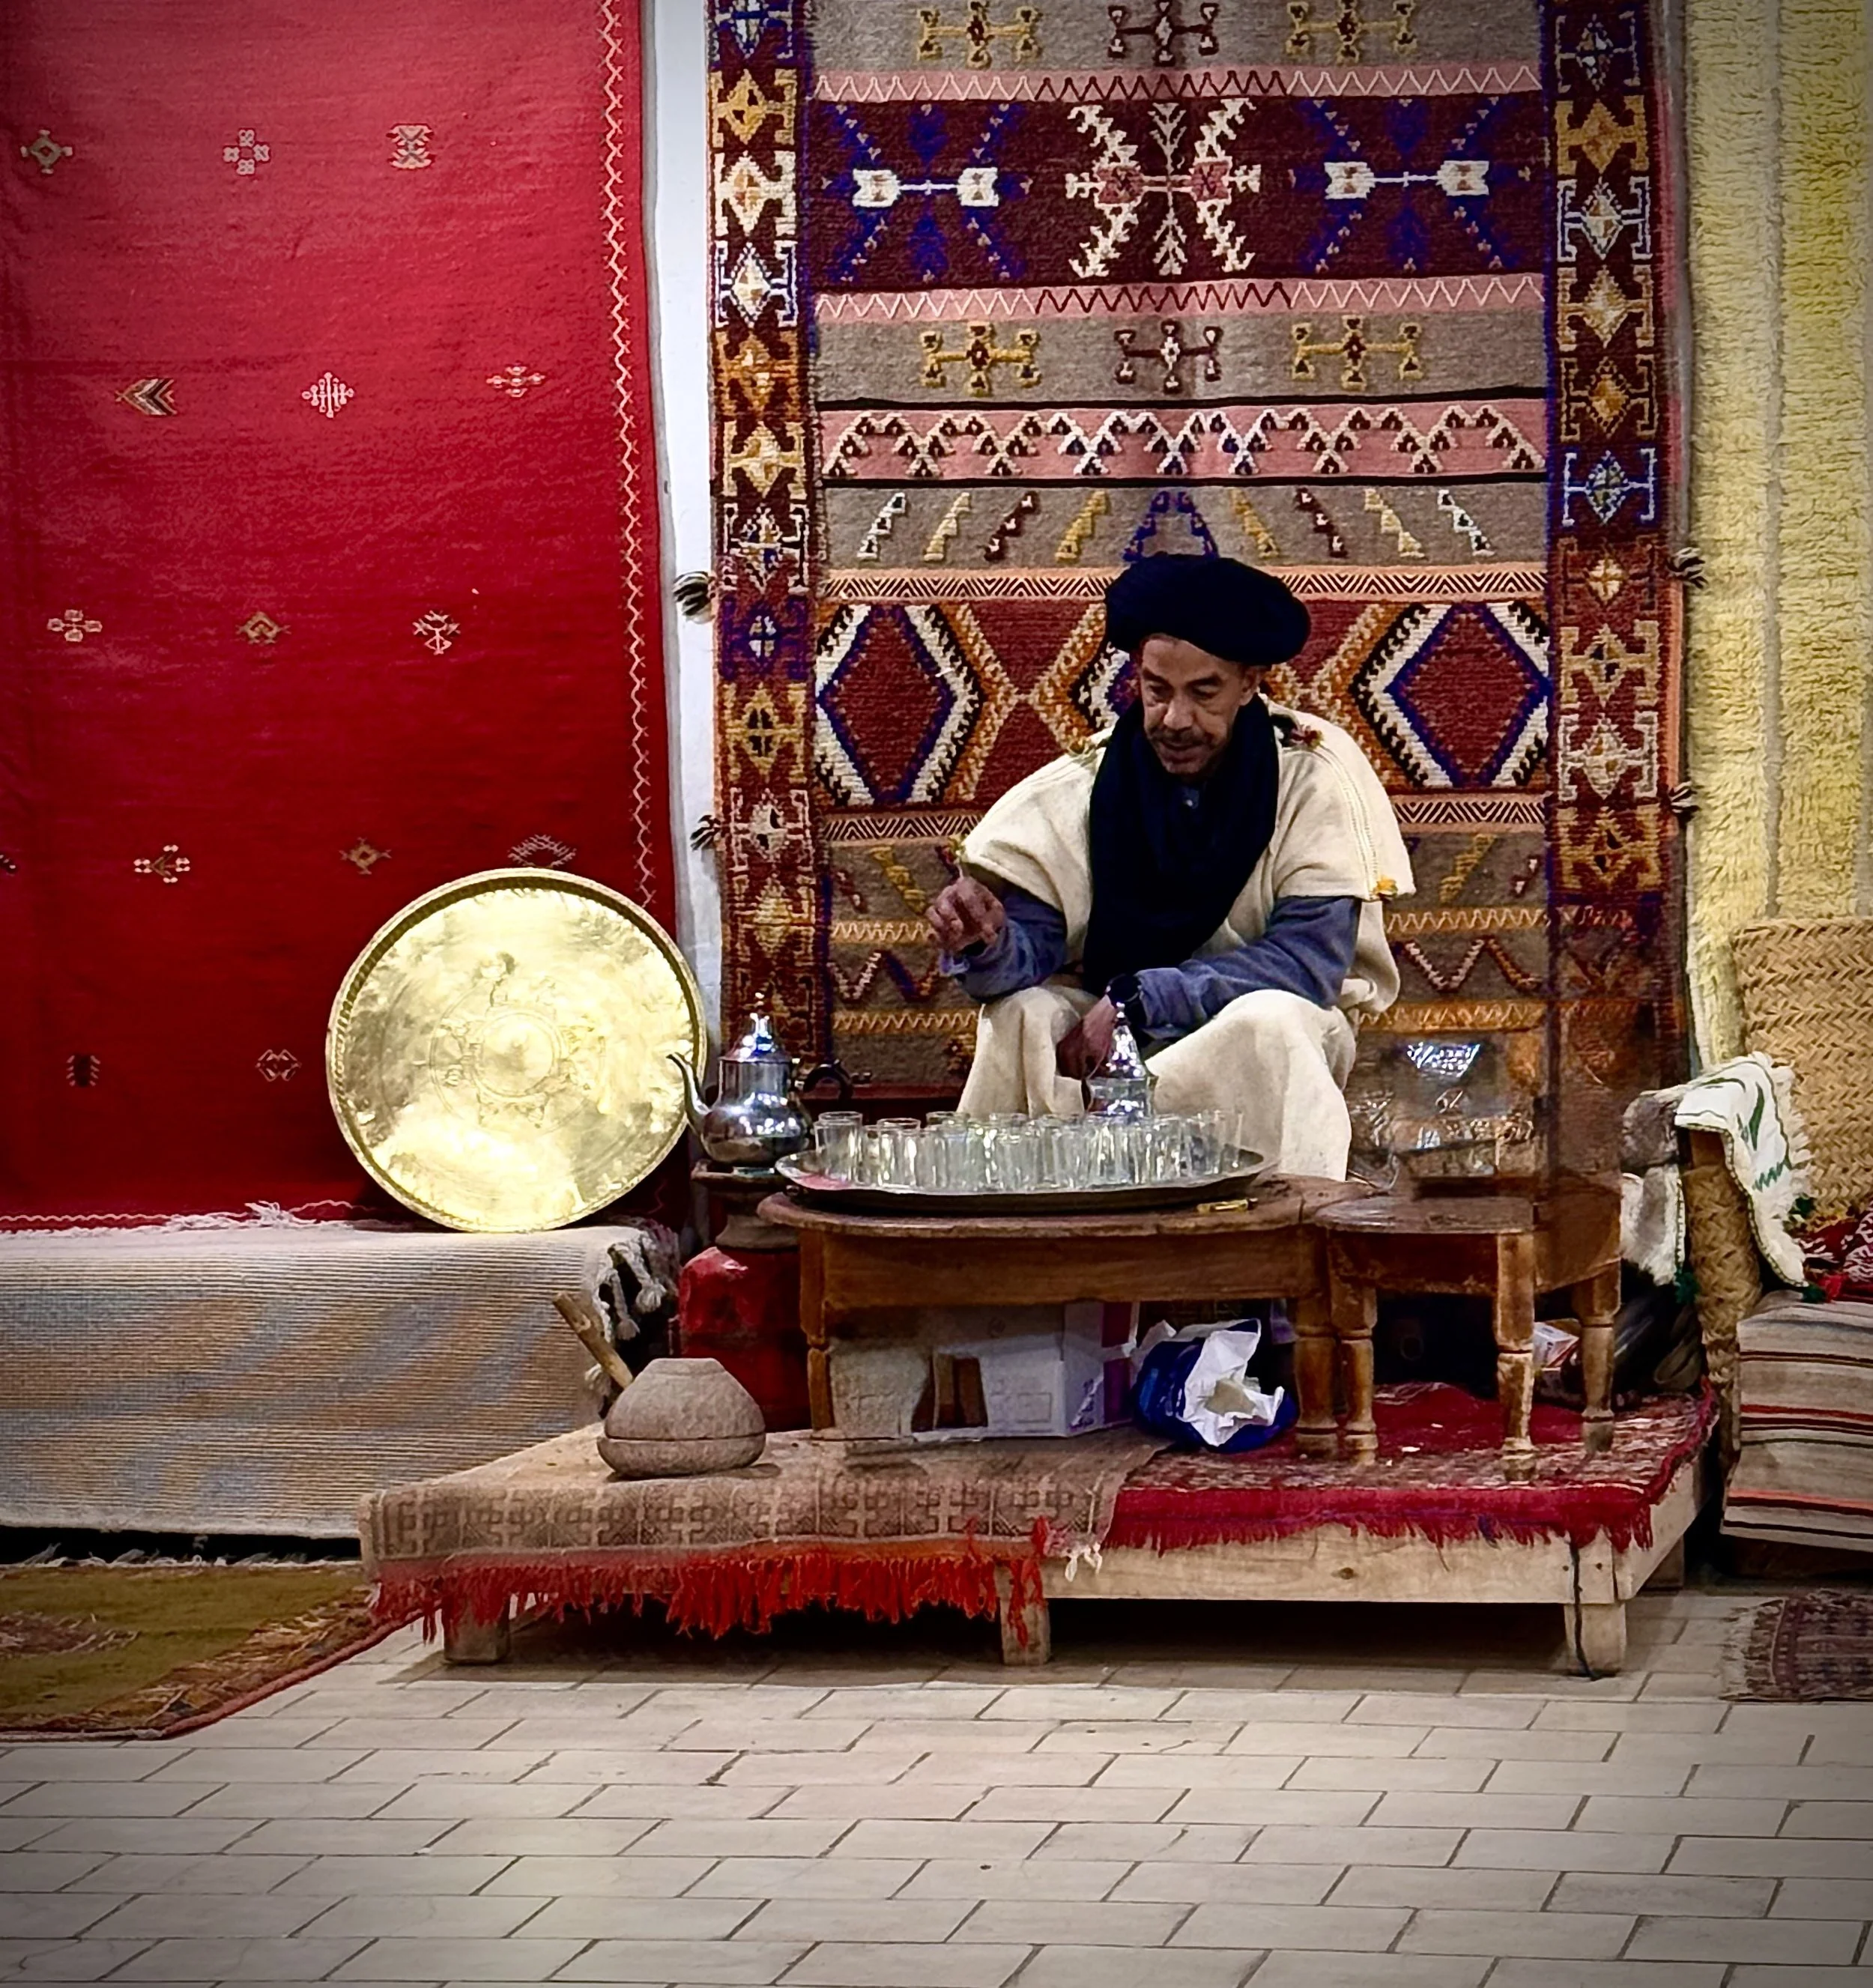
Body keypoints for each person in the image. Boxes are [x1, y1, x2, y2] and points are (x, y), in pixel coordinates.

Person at [925, 554, 1412, 1181]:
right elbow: (1031, 957)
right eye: (1158, 691)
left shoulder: (1312, 778)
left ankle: (1274, 1234)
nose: (1176, 720)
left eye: (1203, 692)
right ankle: (1022, 1231)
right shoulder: (1087, 787)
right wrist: (986, 943)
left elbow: (1306, 964)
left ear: (1249, 682)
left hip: (1242, 1038)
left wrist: (1141, 996)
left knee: (1273, 1019)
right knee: (1023, 1012)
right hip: (1106, 1050)